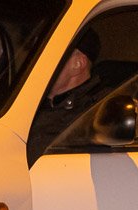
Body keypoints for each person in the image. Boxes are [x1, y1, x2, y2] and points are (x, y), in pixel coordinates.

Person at [28, 29, 104, 157]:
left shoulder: (97, 110)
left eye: (48, 55)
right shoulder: (27, 101)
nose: (37, 63)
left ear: (78, 64)